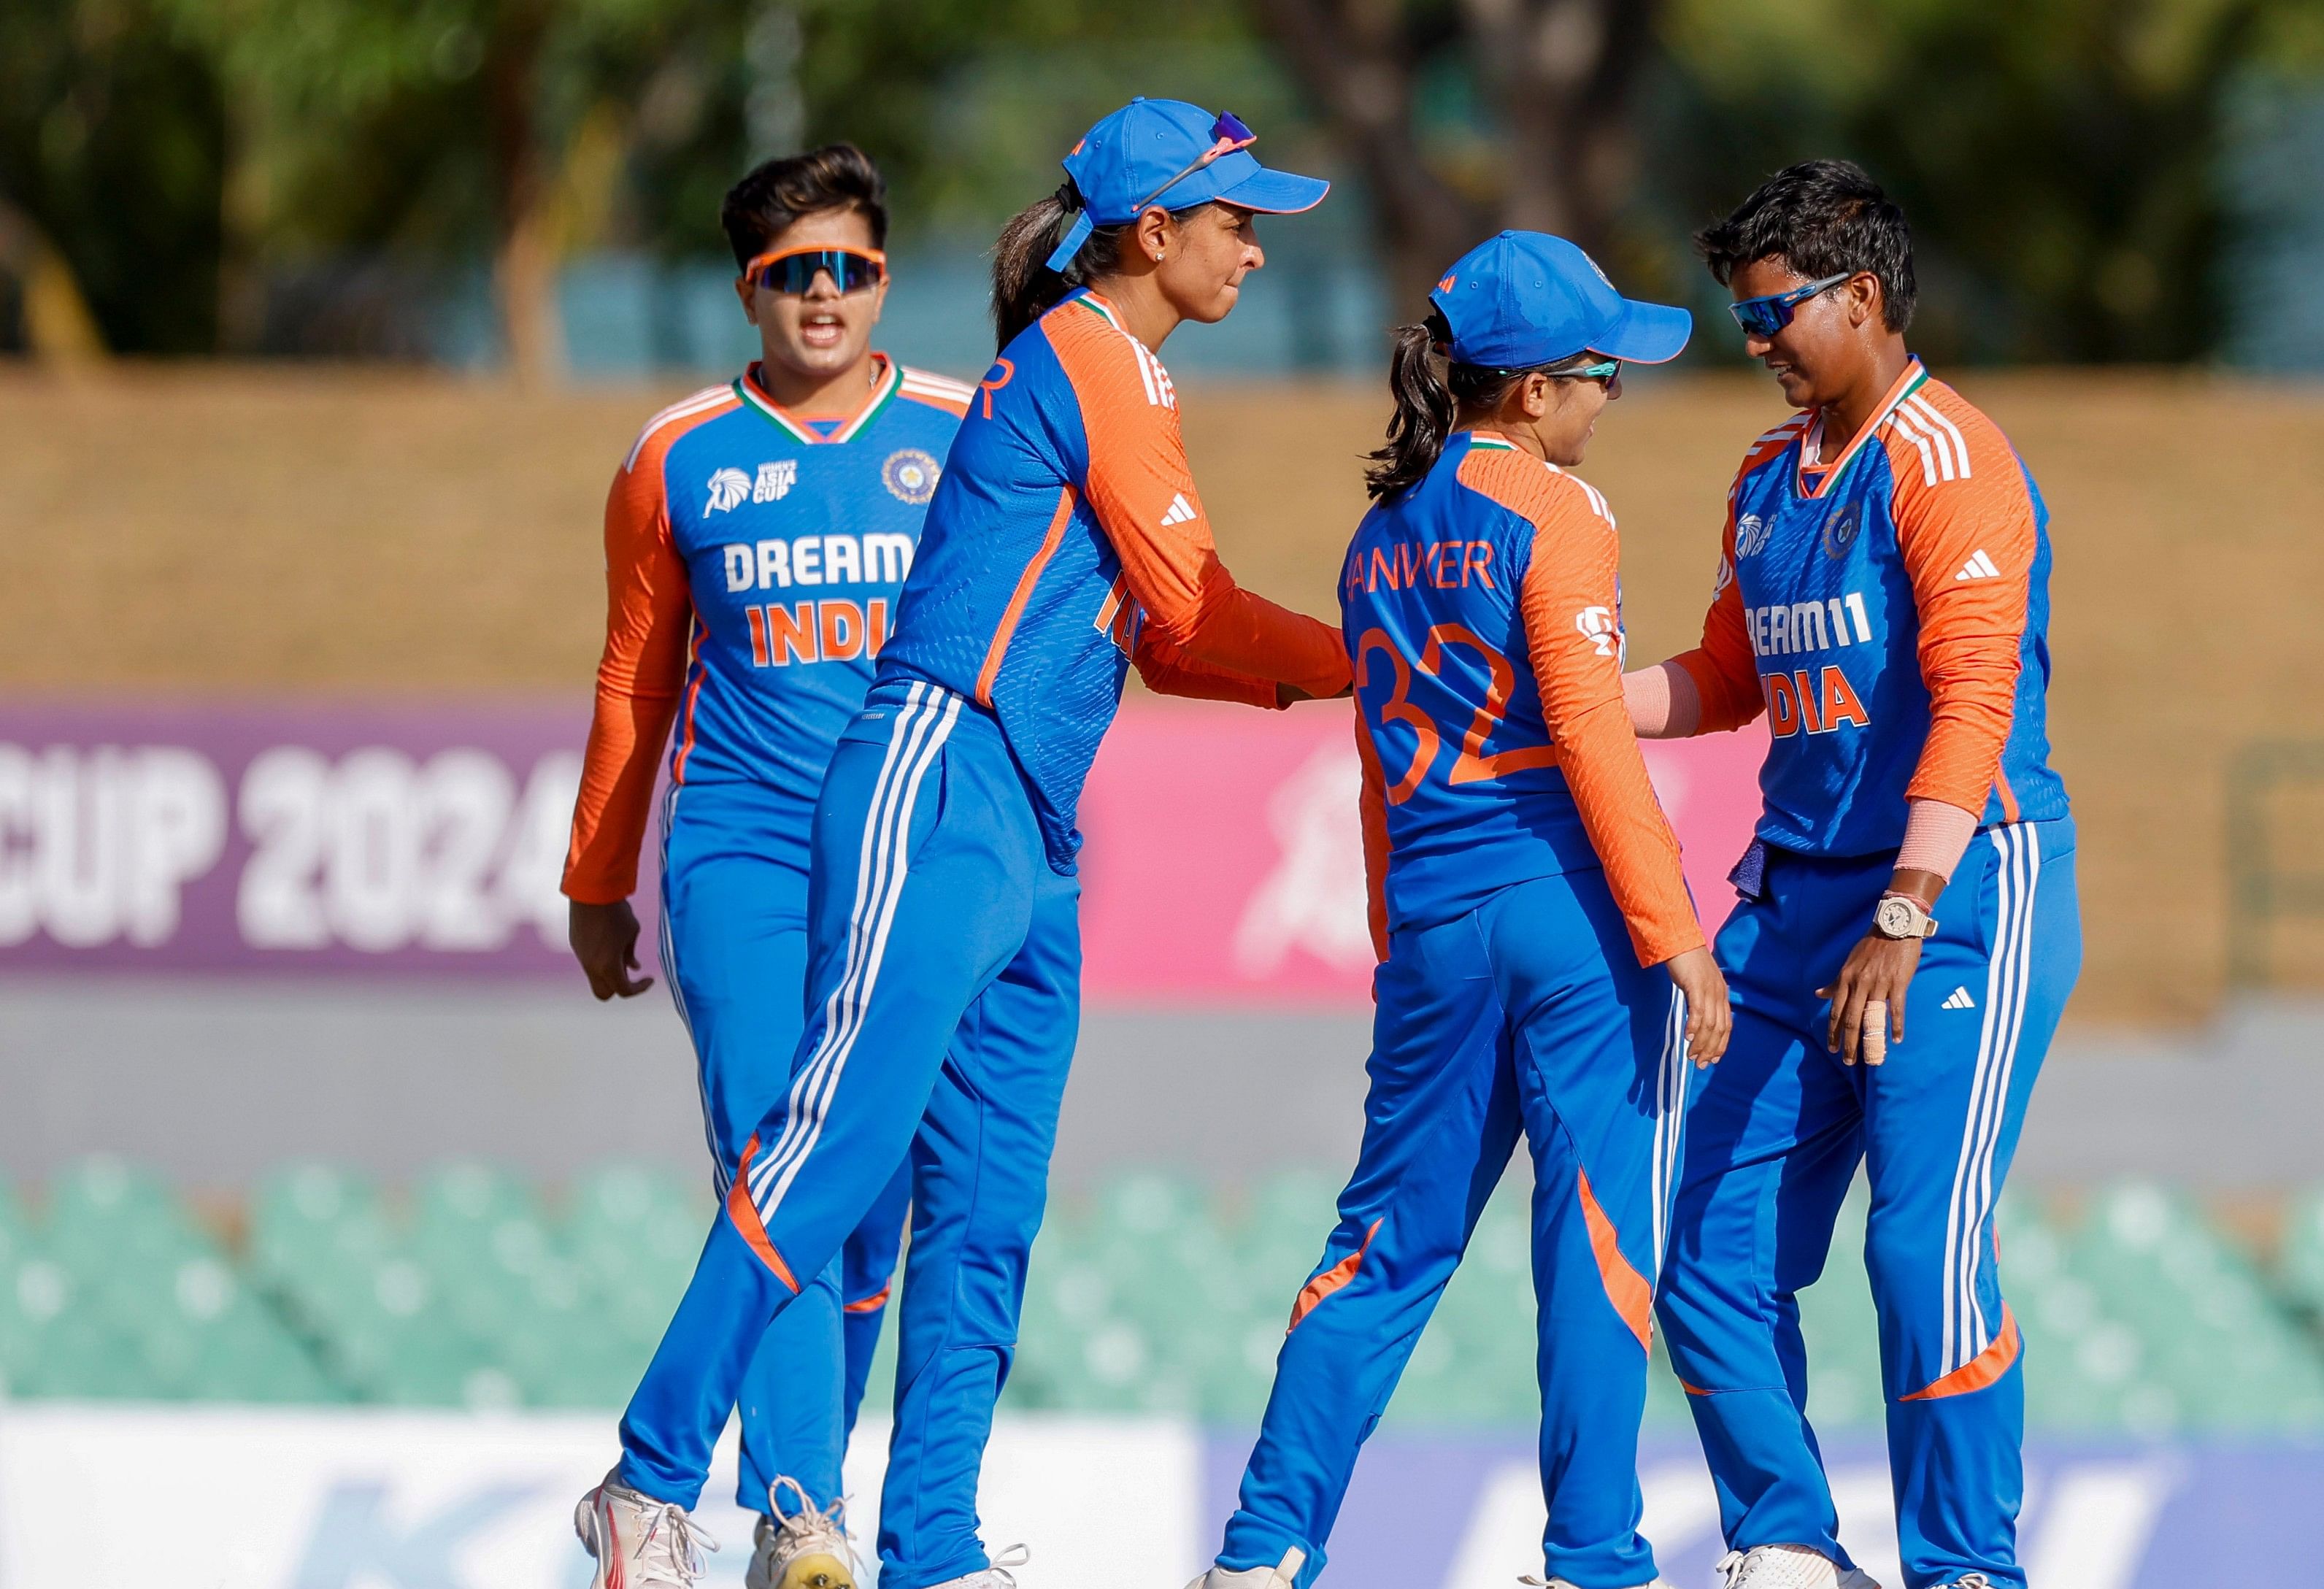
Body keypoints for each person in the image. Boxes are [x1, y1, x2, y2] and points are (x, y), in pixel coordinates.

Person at [572, 98, 1353, 1589]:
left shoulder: (1101, 370)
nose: (1254, 248)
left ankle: (930, 1545)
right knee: (835, 1138)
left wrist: (1348, 665)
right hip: (942, 779)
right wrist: (1383, 658)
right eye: (1237, 219)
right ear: (1151, 232)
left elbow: (1177, 648)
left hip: (1035, 822)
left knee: (988, 1203)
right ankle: (654, 1476)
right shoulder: (1085, 359)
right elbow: (1194, 613)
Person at [1187, 231, 1733, 1589]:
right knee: (1597, 1244)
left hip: (1434, 920)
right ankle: (1594, 1559)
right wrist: (1675, 935)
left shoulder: (1378, 536)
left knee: (1380, 1247)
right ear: (1533, 390)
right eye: (1600, 372)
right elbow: (1595, 739)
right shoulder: (1561, 513)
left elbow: (1375, 758)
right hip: (1566, 915)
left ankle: (1260, 1553)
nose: (1613, 397)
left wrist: (1398, 931)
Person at [1628, 161, 2082, 1589]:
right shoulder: (1767, 478)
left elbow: (1972, 703)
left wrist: (1906, 908)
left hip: (1953, 901)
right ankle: (1790, 1546)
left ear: (1863, 296)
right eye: (1741, 320)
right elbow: (1722, 677)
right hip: (1794, 900)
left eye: (1772, 316)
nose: (1753, 344)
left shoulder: (1948, 460)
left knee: (1918, 1248)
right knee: (1695, 1245)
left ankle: (1964, 1569)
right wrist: (1567, 696)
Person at [562, 142, 962, 1589]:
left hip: (903, 863)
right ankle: (796, 1515)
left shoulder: (967, 432)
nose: (823, 297)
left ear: (883, 279)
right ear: (749, 290)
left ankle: (792, 1510)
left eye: (849, 268)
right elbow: (632, 682)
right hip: (738, 853)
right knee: (773, 1161)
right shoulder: (675, 455)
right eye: (794, 273)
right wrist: (596, 881)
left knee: (871, 1204)